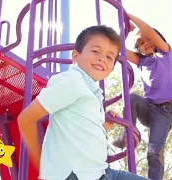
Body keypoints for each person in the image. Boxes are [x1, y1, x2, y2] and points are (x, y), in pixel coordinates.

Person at [18, 25, 148, 180]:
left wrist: (102, 126)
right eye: (95, 51)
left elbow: (80, 129)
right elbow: (26, 119)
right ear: (75, 56)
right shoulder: (72, 81)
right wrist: (42, 165)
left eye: (109, 57)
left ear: (112, 67)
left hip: (101, 172)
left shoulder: (92, 92)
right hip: (76, 175)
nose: (102, 58)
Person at [112, 13, 172, 180]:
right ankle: (131, 133)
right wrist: (125, 30)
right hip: (148, 109)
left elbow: (148, 30)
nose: (146, 44)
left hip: (164, 111)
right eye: (140, 43)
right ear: (138, 48)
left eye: (148, 39)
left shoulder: (165, 54)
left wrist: (128, 16)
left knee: (153, 153)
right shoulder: (141, 62)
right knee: (131, 97)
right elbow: (116, 47)